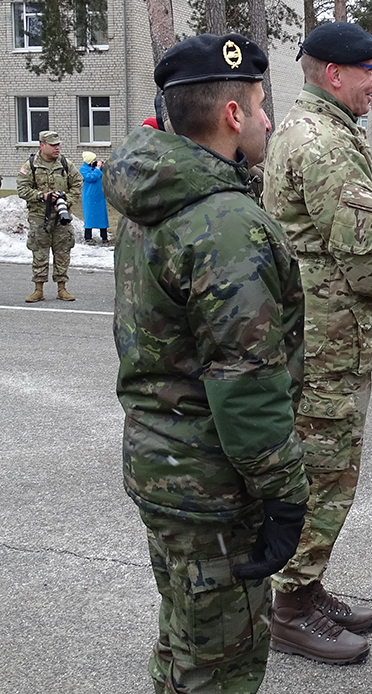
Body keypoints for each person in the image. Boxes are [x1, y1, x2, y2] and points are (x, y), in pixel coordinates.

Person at [106, 33, 311, 693]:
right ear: (231, 116)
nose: (267, 120)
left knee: (182, 640)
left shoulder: (155, 197)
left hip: (161, 463)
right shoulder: (223, 223)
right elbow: (245, 383)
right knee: (220, 665)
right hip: (213, 487)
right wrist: (285, 492)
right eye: (258, 105)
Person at [262, 21, 372, 666]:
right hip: (328, 344)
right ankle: (289, 607)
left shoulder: (301, 128)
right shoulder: (328, 144)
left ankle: (303, 589)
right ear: (334, 74)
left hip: (316, 336)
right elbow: (368, 265)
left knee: (318, 471)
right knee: (326, 477)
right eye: (369, 69)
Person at [16, 130, 82, 302]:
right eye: (53, 145)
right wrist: (41, 196)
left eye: (58, 144)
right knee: (39, 252)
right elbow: (22, 189)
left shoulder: (66, 164)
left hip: (62, 216)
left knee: (63, 252)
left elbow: (77, 183)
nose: (57, 148)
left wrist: (65, 200)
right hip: (39, 217)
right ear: (42, 145)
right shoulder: (31, 165)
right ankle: (38, 289)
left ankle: (62, 289)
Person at [79, 151, 109, 244]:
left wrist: (103, 167)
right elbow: (90, 178)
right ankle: (88, 237)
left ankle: (104, 236)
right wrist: (98, 168)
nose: (95, 161)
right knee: (89, 217)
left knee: (102, 216)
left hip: (99, 195)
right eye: (94, 160)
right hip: (89, 196)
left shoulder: (96, 168)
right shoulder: (83, 169)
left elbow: (103, 175)